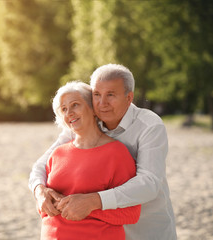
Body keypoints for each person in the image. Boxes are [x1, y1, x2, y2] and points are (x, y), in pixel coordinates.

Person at [29, 64, 177, 240]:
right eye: (97, 95)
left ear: (129, 98)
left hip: (146, 227)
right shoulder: (82, 124)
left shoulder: (149, 126)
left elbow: (149, 183)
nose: (102, 103)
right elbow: (41, 165)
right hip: (102, 230)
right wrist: (40, 190)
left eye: (111, 95)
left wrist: (93, 201)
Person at [40, 81, 140, 239]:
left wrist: (89, 206)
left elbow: (131, 213)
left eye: (75, 105)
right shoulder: (57, 154)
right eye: (64, 109)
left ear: (93, 109)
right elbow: (44, 204)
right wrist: (43, 201)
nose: (69, 113)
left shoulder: (117, 153)